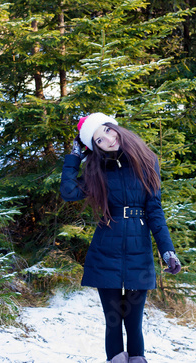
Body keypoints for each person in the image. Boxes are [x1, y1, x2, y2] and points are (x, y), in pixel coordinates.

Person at [60, 113, 181, 363]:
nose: (107, 139)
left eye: (106, 131)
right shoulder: (97, 170)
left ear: (115, 127)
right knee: (113, 321)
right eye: (98, 141)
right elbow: (69, 192)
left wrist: (167, 251)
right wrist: (73, 157)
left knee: (133, 323)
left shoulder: (147, 161)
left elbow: (155, 211)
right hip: (106, 252)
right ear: (95, 148)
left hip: (139, 253)